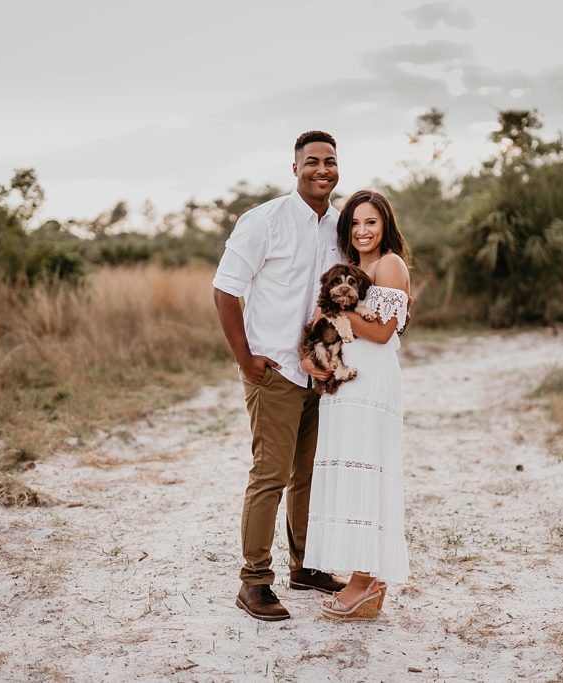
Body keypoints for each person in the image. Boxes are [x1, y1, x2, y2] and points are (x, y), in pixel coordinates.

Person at [212, 131, 349, 622]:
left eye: (330, 161)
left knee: (309, 475)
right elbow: (226, 291)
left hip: (320, 372)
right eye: (312, 161)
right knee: (270, 476)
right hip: (273, 370)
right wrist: (245, 358)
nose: (322, 169)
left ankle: (305, 566)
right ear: (295, 169)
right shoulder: (263, 221)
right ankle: (253, 582)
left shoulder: (341, 227)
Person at [303, 189, 411, 620]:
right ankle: (360, 576)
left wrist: (338, 318)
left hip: (372, 383)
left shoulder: (389, 264)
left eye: (371, 222)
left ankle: (367, 578)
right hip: (344, 384)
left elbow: (384, 332)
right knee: (347, 468)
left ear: (385, 224)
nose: (362, 231)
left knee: (367, 472)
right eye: (355, 223)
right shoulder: (352, 269)